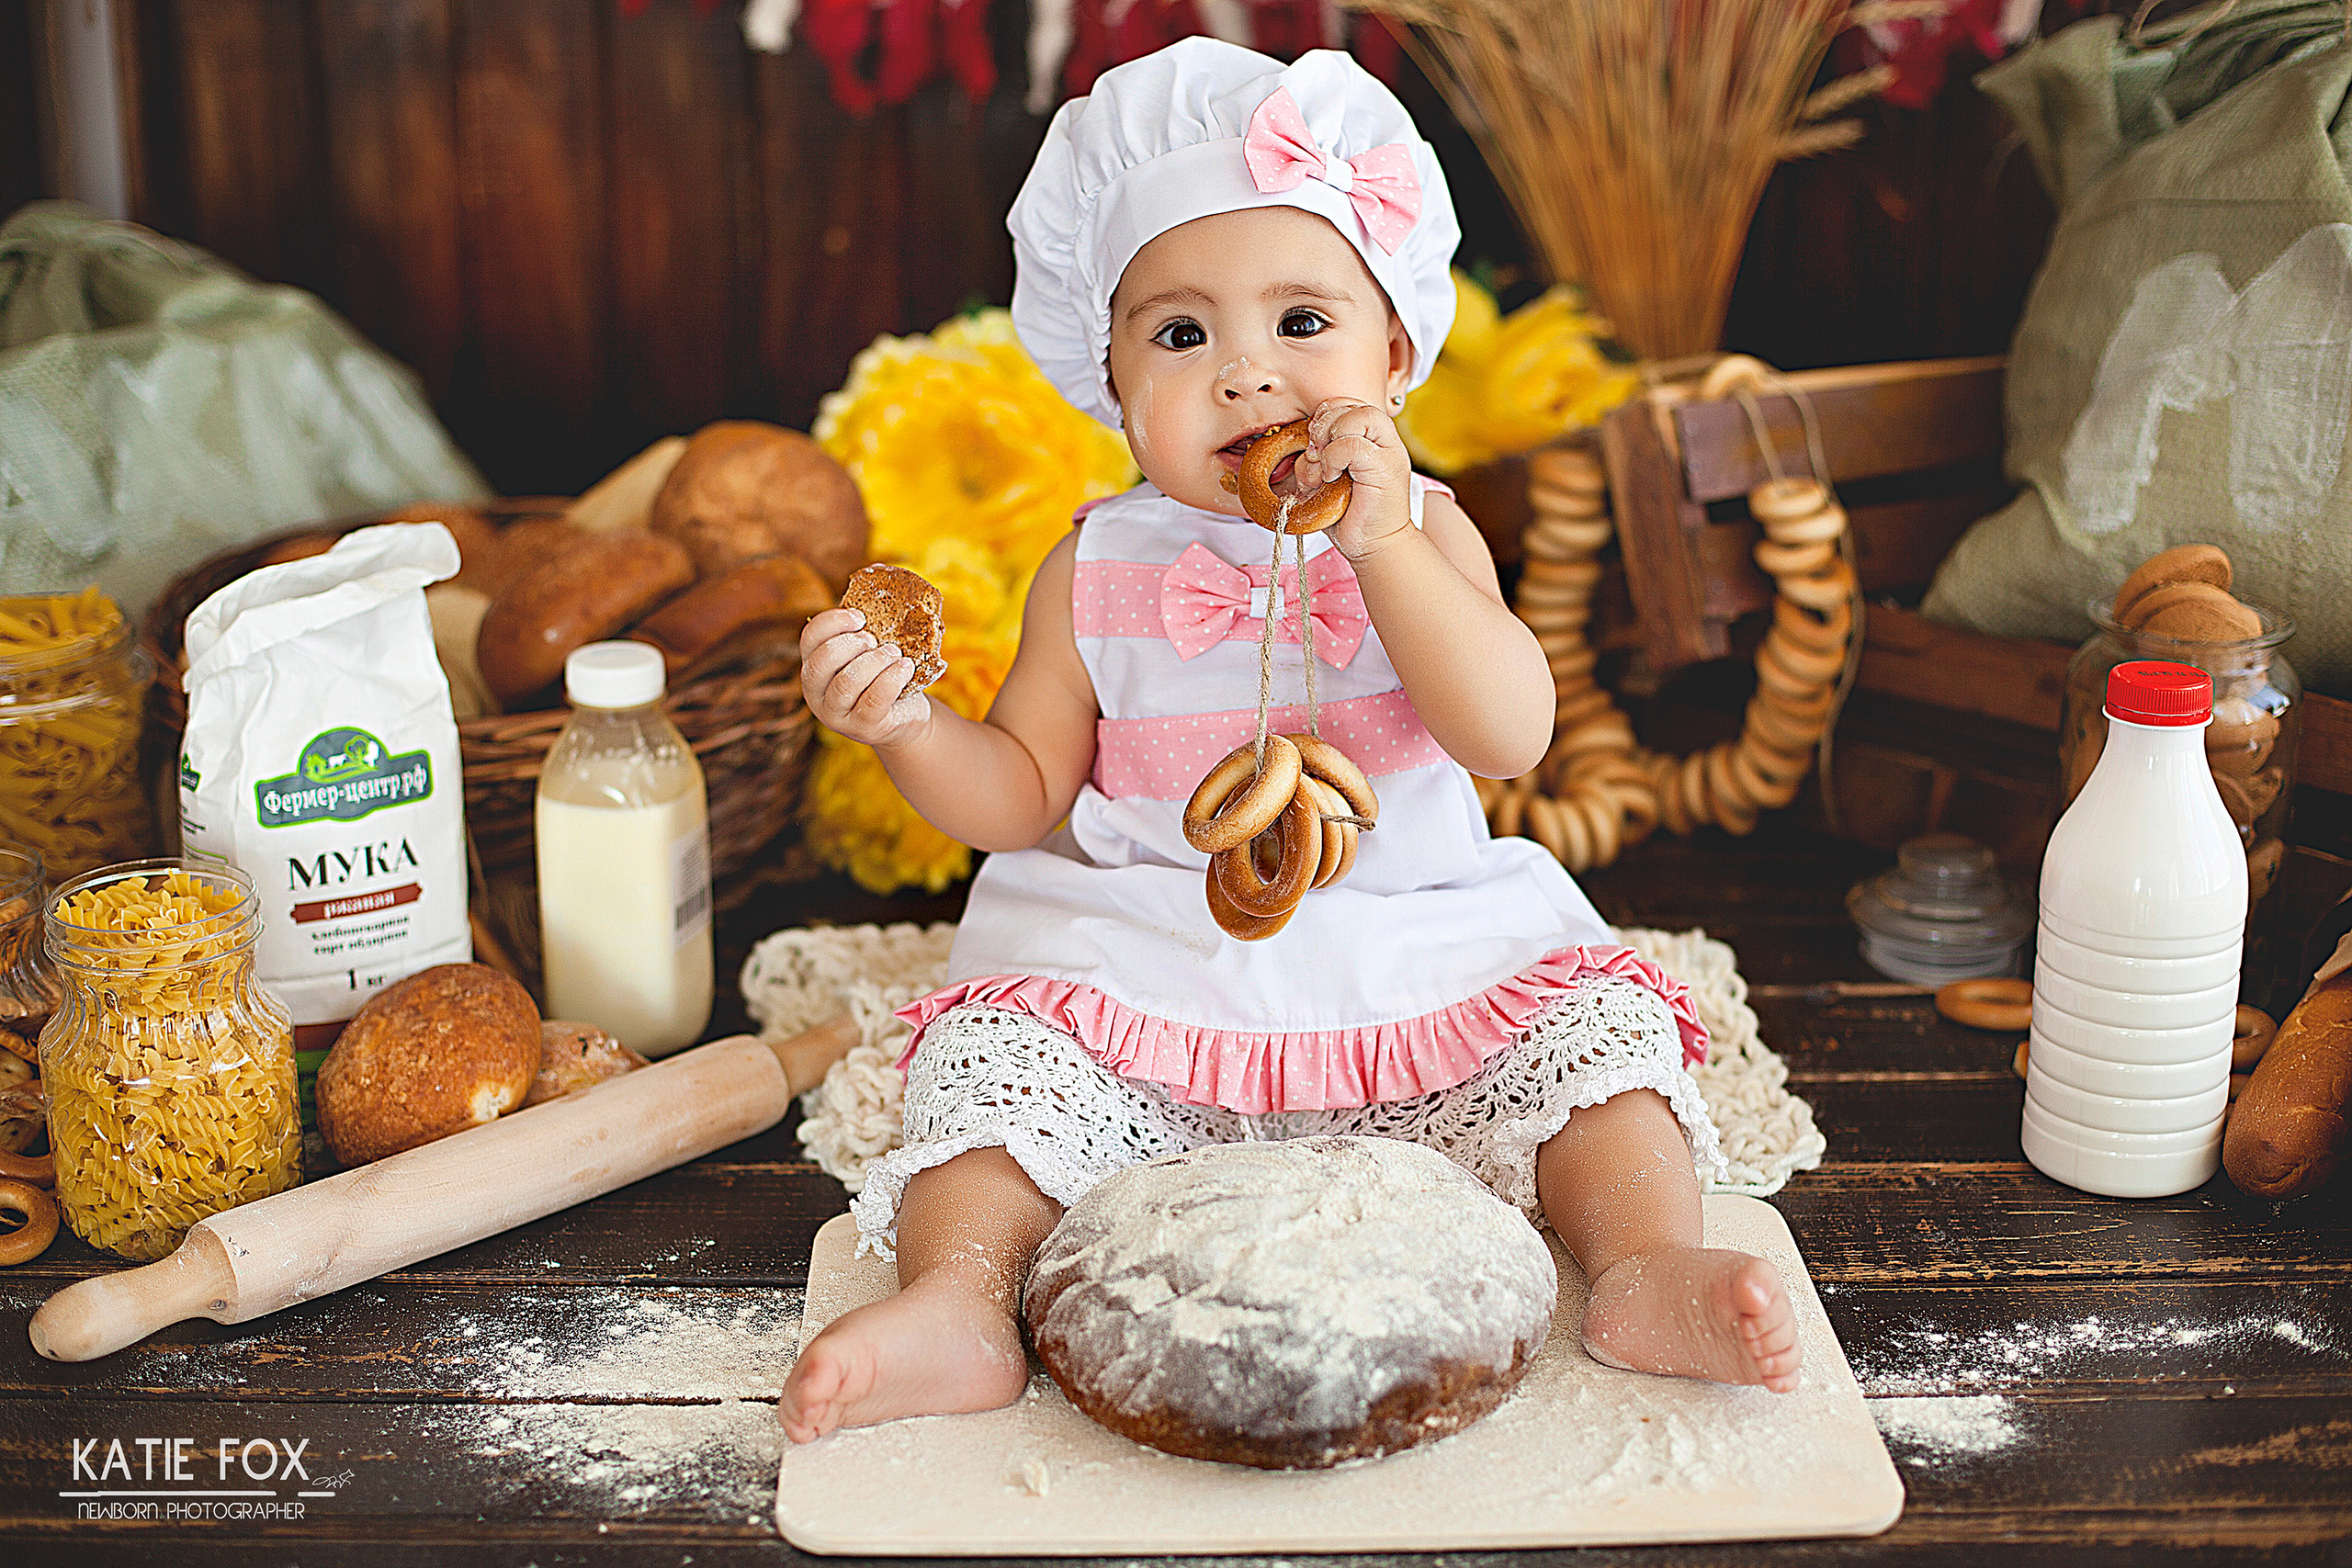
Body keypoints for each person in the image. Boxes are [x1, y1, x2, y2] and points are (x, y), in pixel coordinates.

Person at [779, 38, 1799, 1445]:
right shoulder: (1093, 567)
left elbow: (1508, 732)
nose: (1248, 376)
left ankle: (1638, 1267)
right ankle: (961, 1296)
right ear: (1113, 380)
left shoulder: (1426, 527)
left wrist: (1381, 544)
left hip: (1418, 938)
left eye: (1302, 324)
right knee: (991, 1066)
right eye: (1182, 336)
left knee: (1598, 1039)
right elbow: (1016, 799)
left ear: (1396, 352)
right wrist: (903, 723)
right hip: (1150, 957)